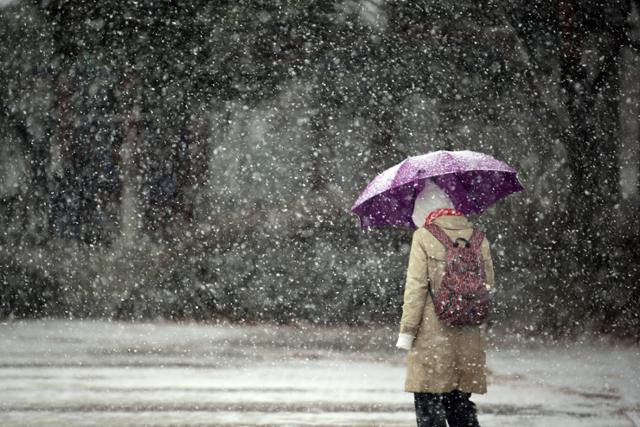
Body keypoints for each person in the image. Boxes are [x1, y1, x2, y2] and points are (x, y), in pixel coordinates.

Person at [396, 180, 495, 427]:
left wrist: (407, 332)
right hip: (469, 334)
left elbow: (416, 289)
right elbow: (488, 286)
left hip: (432, 334)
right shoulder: (478, 238)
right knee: (460, 404)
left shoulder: (424, 236)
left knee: (429, 405)